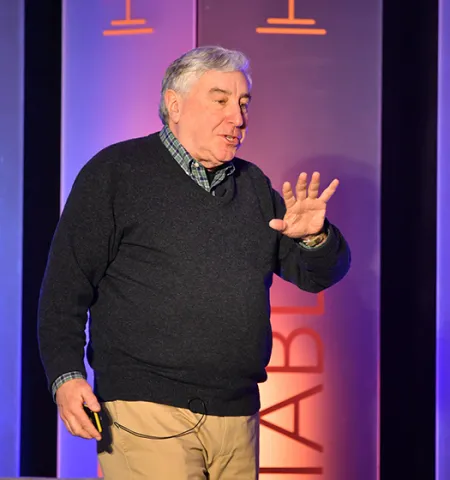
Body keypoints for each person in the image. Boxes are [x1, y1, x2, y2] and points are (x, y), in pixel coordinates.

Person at [38, 45, 351, 480]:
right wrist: (66, 376)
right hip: (145, 411)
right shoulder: (115, 173)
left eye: (243, 103)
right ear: (175, 105)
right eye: (221, 100)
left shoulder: (254, 186)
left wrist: (316, 238)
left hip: (238, 416)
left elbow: (317, 276)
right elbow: (64, 288)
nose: (238, 118)